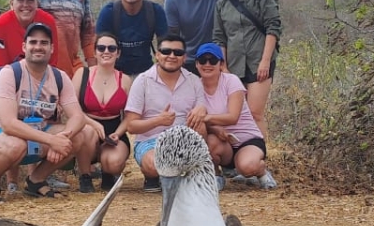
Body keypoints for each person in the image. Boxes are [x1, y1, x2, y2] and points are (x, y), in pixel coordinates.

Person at [0, 23, 98, 203]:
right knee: (15, 145)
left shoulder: (59, 77)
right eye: (33, 42)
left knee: (78, 136)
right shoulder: (10, 73)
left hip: (36, 135)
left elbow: (77, 116)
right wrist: (51, 141)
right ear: (24, 47)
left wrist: (63, 137)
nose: (38, 47)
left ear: (51, 48)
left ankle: (36, 180)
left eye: (44, 42)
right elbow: (9, 124)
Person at [124, 33, 208, 192]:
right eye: (166, 51)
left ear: (184, 57)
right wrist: (158, 120)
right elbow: (131, 126)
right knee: (154, 164)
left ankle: (191, 173)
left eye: (177, 53)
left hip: (184, 140)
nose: (171, 56)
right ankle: (155, 175)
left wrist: (201, 109)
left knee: (201, 125)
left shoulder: (194, 81)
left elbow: (201, 108)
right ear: (157, 55)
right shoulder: (142, 81)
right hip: (150, 141)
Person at [213, 0, 282, 143]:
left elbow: (273, 28)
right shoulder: (221, 4)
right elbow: (220, 38)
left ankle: (259, 159)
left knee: (254, 113)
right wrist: (224, 67)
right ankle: (239, 159)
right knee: (236, 114)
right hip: (234, 66)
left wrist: (265, 61)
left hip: (258, 62)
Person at [193, 43, 277, 190]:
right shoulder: (194, 88)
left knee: (247, 167)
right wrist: (215, 130)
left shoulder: (231, 81)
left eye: (212, 60)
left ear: (221, 63)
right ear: (196, 64)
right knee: (205, 134)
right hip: (222, 143)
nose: (207, 64)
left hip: (247, 139)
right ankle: (214, 174)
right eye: (202, 60)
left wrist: (206, 118)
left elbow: (233, 117)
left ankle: (261, 170)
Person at [71, 32, 133, 192]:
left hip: (114, 129)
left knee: (114, 163)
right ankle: (85, 175)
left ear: (118, 53)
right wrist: (92, 123)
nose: (106, 51)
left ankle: (107, 174)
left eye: (112, 48)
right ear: (95, 52)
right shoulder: (81, 74)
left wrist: (118, 134)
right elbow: (72, 108)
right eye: (101, 48)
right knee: (87, 132)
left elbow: (130, 116)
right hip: (86, 126)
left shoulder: (125, 80)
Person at [95, 0, 168, 76]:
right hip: (114, 74)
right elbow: (100, 50)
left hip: (146, 73)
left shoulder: (155, 11)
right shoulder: (109, 12)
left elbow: (166, 46)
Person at [0, 0, 70, 72]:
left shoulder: (48, 21)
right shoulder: (0, 24)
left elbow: (52, 59)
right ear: (12, 3)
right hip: (9, 73)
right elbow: (2, 64)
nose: (25, 5)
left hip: (40, 73)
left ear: (37, 4)